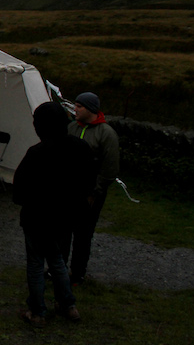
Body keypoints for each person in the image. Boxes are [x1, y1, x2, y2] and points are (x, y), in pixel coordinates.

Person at [14, 102, 95, 327]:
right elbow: (89, 182)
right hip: (65, 218)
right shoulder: (81, 148)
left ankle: (38, 311)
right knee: (57, 260)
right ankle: (68, 305)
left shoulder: (37, 153)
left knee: (37, 263)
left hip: (38, 219)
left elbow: (19, 190)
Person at [65, 91, 119, 284]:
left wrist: (95, 192)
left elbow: (110, 168)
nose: (75, 109)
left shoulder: (106, 134)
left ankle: (78, 272)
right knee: (63, 230)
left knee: (83, 233)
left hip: (89, 194)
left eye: (79, 106)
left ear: (91, 109)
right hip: (68, 190)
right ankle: (59, 269)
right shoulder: (71, 127)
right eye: (75, 105)